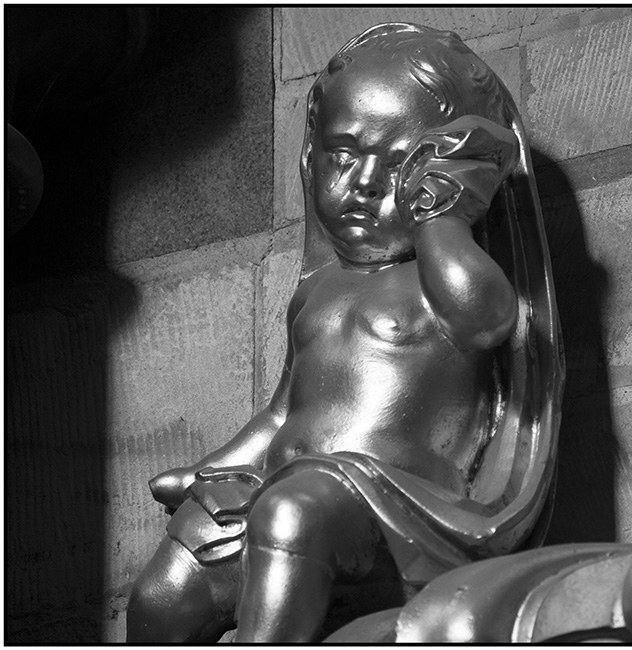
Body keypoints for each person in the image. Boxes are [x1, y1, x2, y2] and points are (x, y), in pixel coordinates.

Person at [127, 23, 563, 643]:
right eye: (343, 154)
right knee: (163, 590)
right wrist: (211, 471)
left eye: (400, 164)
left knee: (290, 515)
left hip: (387, 503)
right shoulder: (319, 289)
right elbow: (282, 413)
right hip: (275, 489)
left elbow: (488, 318)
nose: (363, 184)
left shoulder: (442, 281)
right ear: (313, 157)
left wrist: (442, 220)